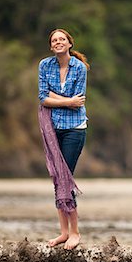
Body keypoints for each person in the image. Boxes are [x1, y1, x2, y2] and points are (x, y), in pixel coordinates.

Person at [38, 28, 90, 250]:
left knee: (65, 180)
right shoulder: (44, 65)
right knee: (57, 180)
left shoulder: (80, 67)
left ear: (69, 44)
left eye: (62, 39)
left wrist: (55, 98)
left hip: (74, 129)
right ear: (51, 46)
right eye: (54, 40)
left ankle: (75, 233)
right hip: (52, 127)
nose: (58, 42)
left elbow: (78, 100)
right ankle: (63, 232)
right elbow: (42, 98)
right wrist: (65, 101)